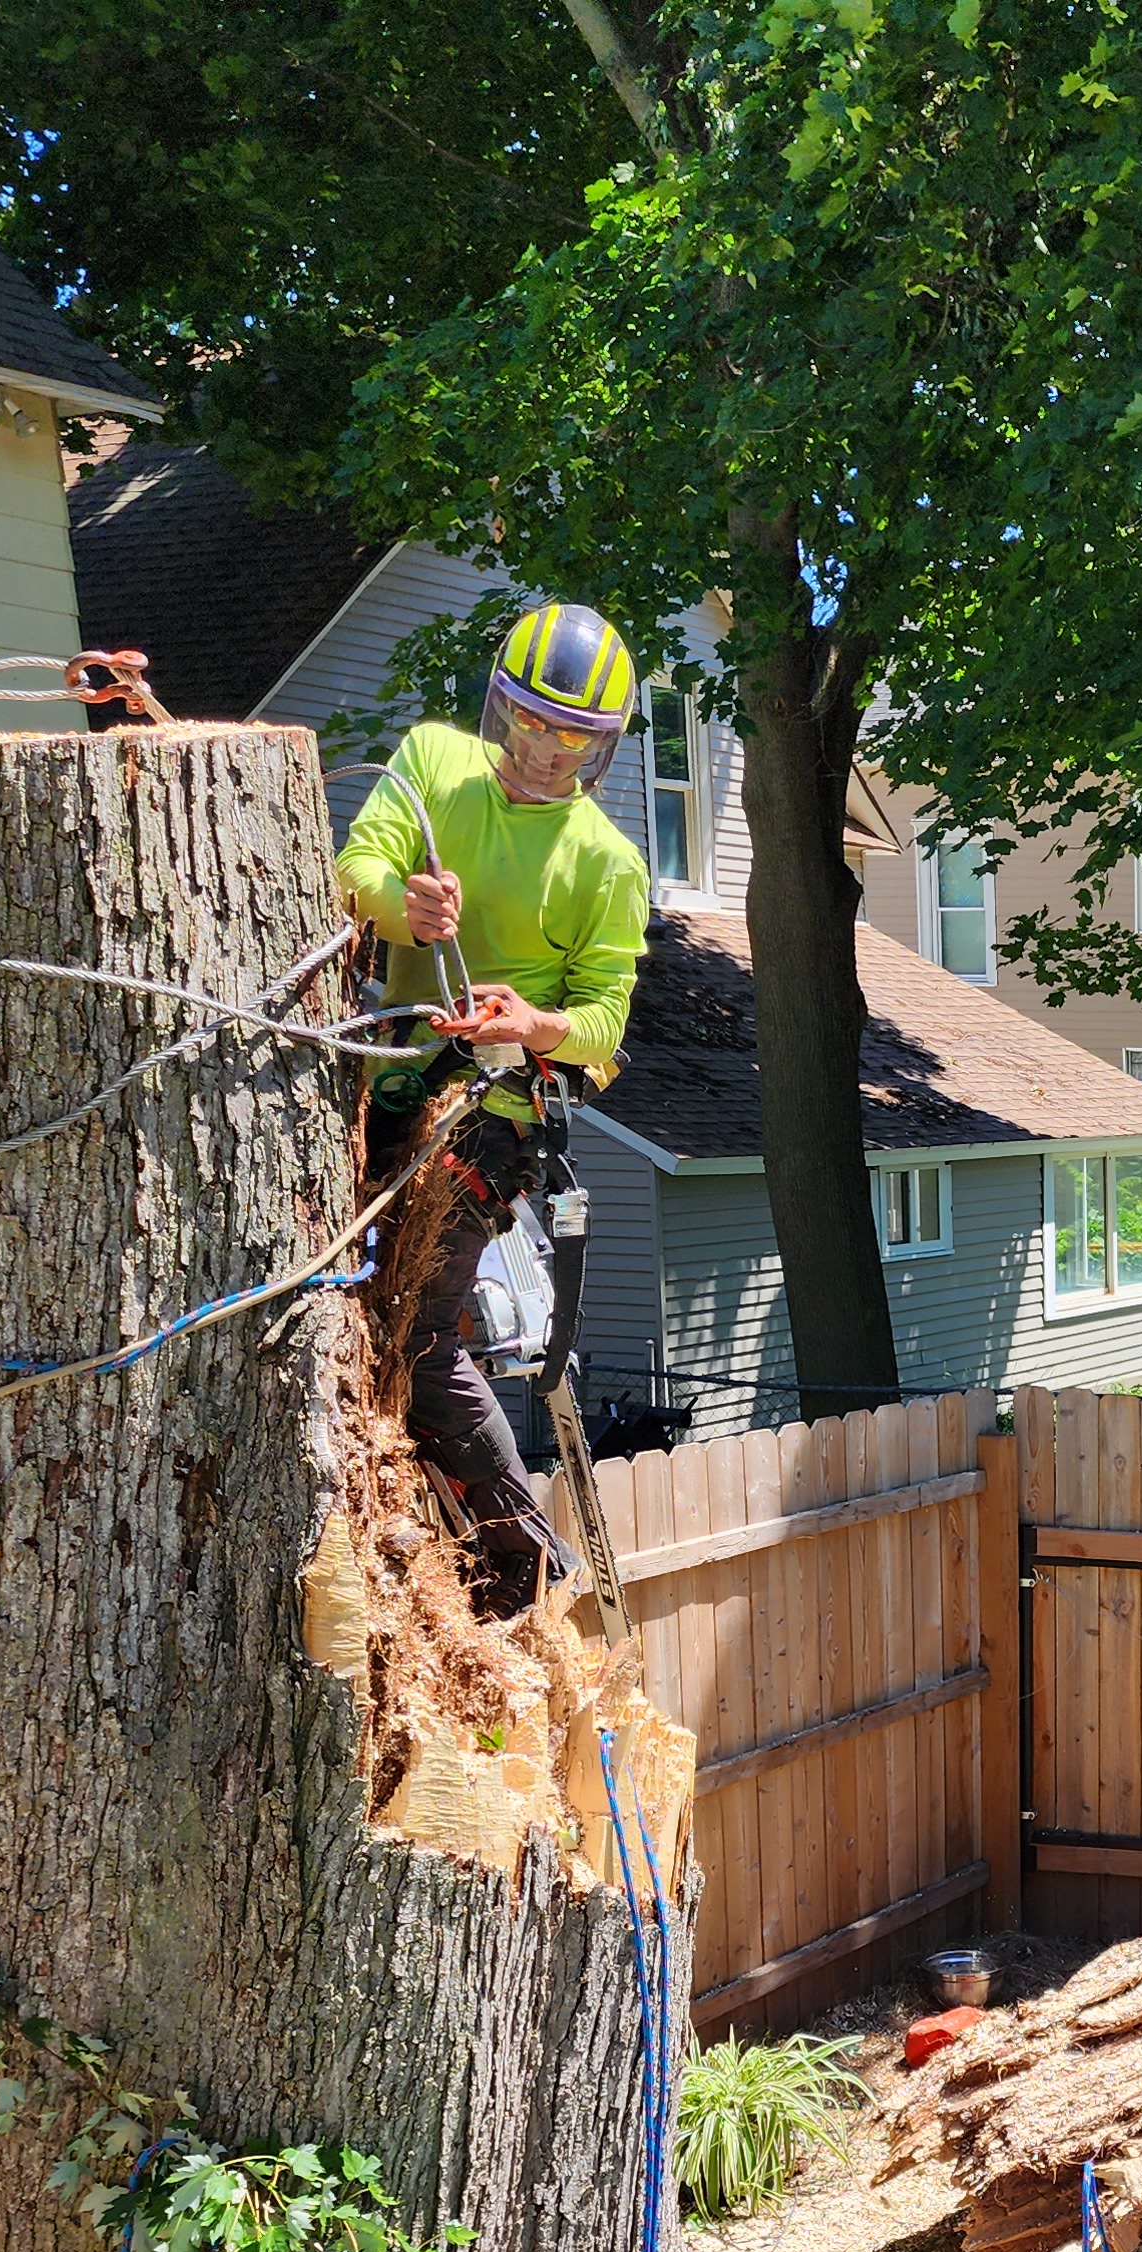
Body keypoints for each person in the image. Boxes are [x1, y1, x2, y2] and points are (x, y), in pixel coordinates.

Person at [333, 602, 653, 1612]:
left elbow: (604, 1021)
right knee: (339, 1304)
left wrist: (534, 1019)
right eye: (531, 721)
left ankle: (518, 1558)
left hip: (495, 1111)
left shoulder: (605, 860)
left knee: (419, 1328)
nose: (549, 751)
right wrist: (402, 906)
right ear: (499, 706)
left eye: (576, 737)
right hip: (380, 1073)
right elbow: (360, 868)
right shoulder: (433, 763)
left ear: (601, 746)